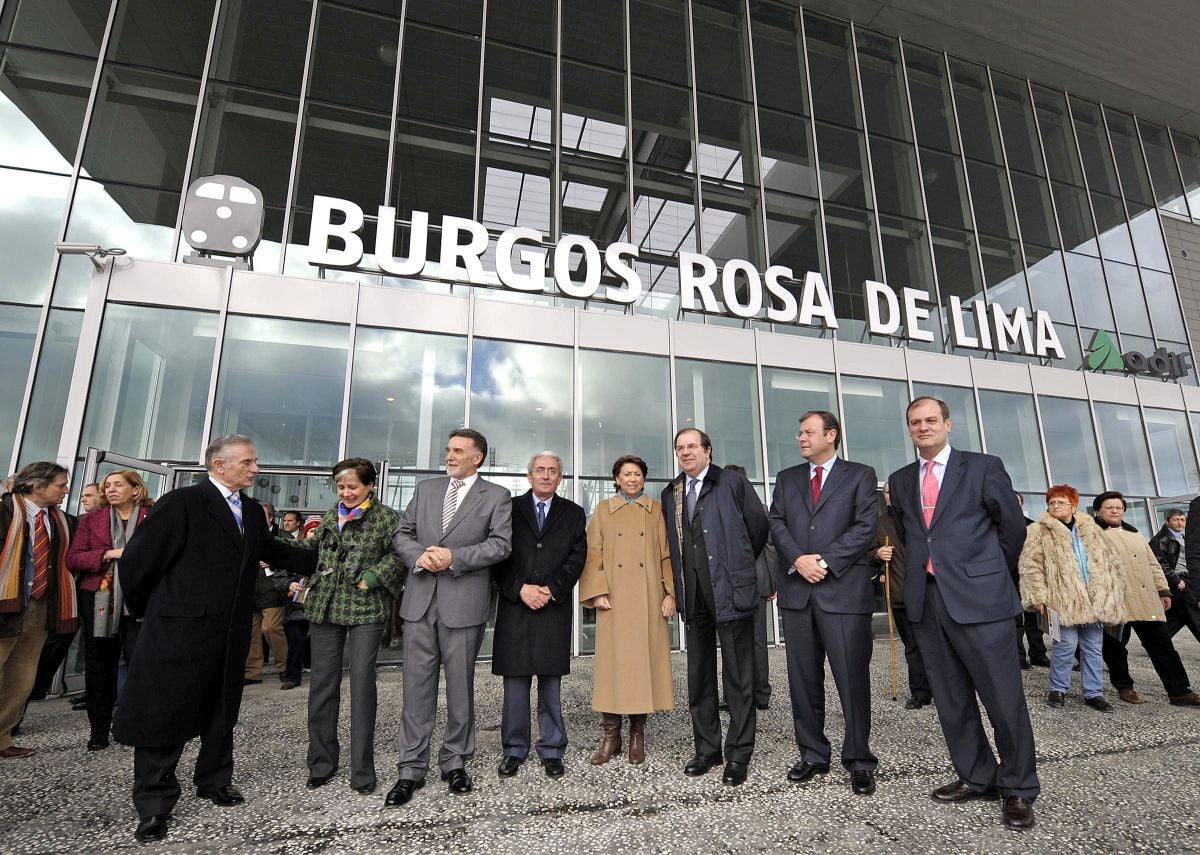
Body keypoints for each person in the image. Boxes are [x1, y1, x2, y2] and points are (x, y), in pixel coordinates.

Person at [112, 435, 316, 843]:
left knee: (222, 710)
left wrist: (325, 555)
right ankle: (154, 805)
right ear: (219, 465)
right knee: (165, 715)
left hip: (230, 632)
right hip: (178, 631)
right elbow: (138, 562)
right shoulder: (182, 503)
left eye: (255, 462)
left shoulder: (252, 512)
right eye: (248, 462)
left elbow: (271, 550)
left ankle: (214, 779)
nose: (256, 469)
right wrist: (150, 612)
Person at [887, 396, 1037, 831]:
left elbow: (1011, 528)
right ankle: (977, 776)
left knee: (1003, 699)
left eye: (931, 420)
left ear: (948, 424)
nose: (923, 427)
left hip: (982, 600)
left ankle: (1018, 788)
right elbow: (912, 535)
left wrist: (984, 573)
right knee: (952, 701)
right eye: (915, 422)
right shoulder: (899, 479)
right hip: (927, 601)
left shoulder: (984, 466)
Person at [387, 429, 512, 807]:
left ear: (478, 458)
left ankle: (455, 761)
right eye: (448, 449)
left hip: (463, 605)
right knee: (416, 690)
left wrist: (453, 558)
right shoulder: (426, 489)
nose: (450, 455)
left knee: (461, 688)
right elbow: (402, 534)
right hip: (420, 604)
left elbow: (501, 544)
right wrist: (418, 556)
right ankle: (411, 768)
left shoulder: (497, 496)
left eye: (458, 450)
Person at [769, 411, 878, 796]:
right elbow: (776, 523)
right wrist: (799, 559)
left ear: (831, 435)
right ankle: (813, 754)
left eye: (808, 432)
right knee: (803, 681)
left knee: (852, 679)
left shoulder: (861, 475)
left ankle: (859, 759)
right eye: (799, 432)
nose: (800, 437)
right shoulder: (786, 479)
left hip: (843, 594)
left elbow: (865, 527)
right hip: (798, 594)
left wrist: (825, 561)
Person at [281, 458, 405, 793]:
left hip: (365, 609)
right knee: (322, 685)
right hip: (325, 607)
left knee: (363, 684)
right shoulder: (328, 516)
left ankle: (363, 770)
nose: (346, 493)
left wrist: (373, 576)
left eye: (353, 487)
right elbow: (310, 550)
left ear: (370, 486)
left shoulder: (386, 517)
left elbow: (398, 556)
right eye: (341, 487)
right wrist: (276, 548)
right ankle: (321, 762)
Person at [662, 428, 768, 787]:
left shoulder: (732, 483)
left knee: (739, 677)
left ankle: (739, 753)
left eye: (692, 446)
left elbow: (757, 528)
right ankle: (707, 749)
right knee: (699, 677)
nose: (686, 452)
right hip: (694, 597)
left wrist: (736, 564)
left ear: (708, 450)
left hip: (730, 591)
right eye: (680, 448)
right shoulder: (672, 493)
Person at [492, 451, 587, 779]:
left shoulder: (573, 513)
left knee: (550, 682)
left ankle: (552, 748)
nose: (546, 475)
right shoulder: (508, 508)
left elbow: (577, 557)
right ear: (528, 476)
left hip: (552, 606)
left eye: (553, 471)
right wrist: (520, 589)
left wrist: (551, 589)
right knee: (515, 682)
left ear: (560, 477)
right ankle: (514, 749)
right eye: (540, 470)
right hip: (516, 604)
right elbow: (498, 553)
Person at [579, 454, 675, 767]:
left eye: (637, 474)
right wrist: (597, 591)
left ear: (643, 479)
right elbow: (594, 553)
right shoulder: (604, 510)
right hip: (615, 599)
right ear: (616, 479)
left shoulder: (656, 510)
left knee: (641, 667)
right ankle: (611, 736)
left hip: (648, 597)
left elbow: (666, 556)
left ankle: (637, 735)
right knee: (612, 668)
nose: (632, 479)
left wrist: (669, 593)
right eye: (626, 474)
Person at [65, 470, 154, 750]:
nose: (111, 489)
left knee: (141, 665)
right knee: (99, 666)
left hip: (141, 600)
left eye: (118, 484)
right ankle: (99, 731)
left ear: (135, 489)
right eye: (107, 486)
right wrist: (108, 554)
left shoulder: (152, 517)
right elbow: (74, 558)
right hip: (100, 600)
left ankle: (136, 725)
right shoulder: (93, 519)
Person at [1018, 485, 1125, 712]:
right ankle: (1058, 689)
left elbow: (1107, 562)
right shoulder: (1038, 531)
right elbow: (1031, 566)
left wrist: (1110, 593)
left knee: (1093, 647)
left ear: (1073, 506)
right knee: (1065, 645)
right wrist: (1038, 596)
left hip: (1093, 598)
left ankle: (1094, 693)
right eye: (1052, 502)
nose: (1055, 505)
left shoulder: (1091, 529)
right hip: (1060, 600)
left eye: (1061, 502)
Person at [0, 462, 75, 759]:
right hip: (5, 605)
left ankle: (3, 738)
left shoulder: (62, 521)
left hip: (39, 608)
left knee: (22, 679)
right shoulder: (4, 513)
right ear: (38, 487)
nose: (66, 490)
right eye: (61, 484)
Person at [1096, 493, 1199, 707]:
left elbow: (1153, 564)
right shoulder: (1092, 534)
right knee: (1115, 647)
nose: (1115, 511)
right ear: (1099, 510)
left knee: (1163, 645)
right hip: (1113, 601)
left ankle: (1179, 691)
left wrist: (1163, 590)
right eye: (1110, 507)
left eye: (1119, 507)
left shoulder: (1135, 533)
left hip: (1144, 598)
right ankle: (1124, 686)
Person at [870, 482, 932, 710]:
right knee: (913, 646)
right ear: (884, 496)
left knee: (937, 643)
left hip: (929, 590)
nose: (891, 496)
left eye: (895, 491)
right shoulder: (880, 523)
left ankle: (946, 688)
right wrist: (878, 554)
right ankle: (920, 692)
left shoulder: (921, 518)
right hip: (899, 593)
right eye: (888, 492)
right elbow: (867, 554)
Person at [726, 464, 776, 711]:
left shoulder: (760, 509)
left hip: (756, 583)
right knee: (733, 642)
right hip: (729, 586)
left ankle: (760, 693)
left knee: (756, 640)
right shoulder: (721, 510)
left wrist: (772, 582)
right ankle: (737, 695)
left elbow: (770, 547)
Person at [244, 503, 289, 686]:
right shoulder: (246, 533)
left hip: (272, 589)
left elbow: (292, 562)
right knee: (252, 633)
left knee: (270, 628)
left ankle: (285, 667)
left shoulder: (281, 537)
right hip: (250, 589)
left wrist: (272, 563)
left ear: (271, 518)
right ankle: (252, 672)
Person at [1013, 494, 1050, 670]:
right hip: (1009, 578)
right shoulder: (994, 525)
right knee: (1014, 621)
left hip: (1029, 578)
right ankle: (1018, 656)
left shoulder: (1033, 526)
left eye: (1016, 501)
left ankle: (1038, 654)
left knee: (1034, 620)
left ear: (1022, 504)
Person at [1156, 507, 1200, 643]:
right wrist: (1176, 580)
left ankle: (1156, 640)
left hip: (1188, 578)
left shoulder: (1183, 537)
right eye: (1176, 520)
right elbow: (1159, 564)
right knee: (1193, 612)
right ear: (1167, 521)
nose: (1180, 523)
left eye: (1183, 520)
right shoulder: (1161, 539)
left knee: (1178, 615)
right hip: (1177, 580)